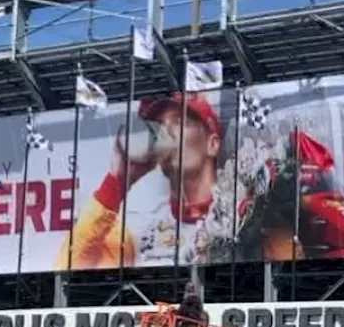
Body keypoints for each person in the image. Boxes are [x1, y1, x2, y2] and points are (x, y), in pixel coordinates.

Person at [60, 92, 224, 270]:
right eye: (159, 125)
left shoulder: (241, 209)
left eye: (179, 122)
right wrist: (116, 182)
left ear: (212, 144)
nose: (166, 132)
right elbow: (68, 266)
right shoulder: (139, 232)